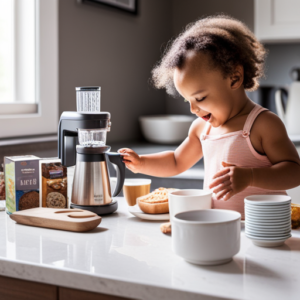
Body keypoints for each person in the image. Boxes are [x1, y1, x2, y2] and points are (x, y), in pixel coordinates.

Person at [118, 15, 300, 219]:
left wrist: (250, 177)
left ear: (234, 78)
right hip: (220, 227)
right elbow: (177, 161)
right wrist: (141, 163)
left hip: (265, 229)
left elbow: (294, 172)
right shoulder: (201, 129)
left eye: (200, 98)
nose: (193, 109)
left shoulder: (263, 124)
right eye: (188, 100)